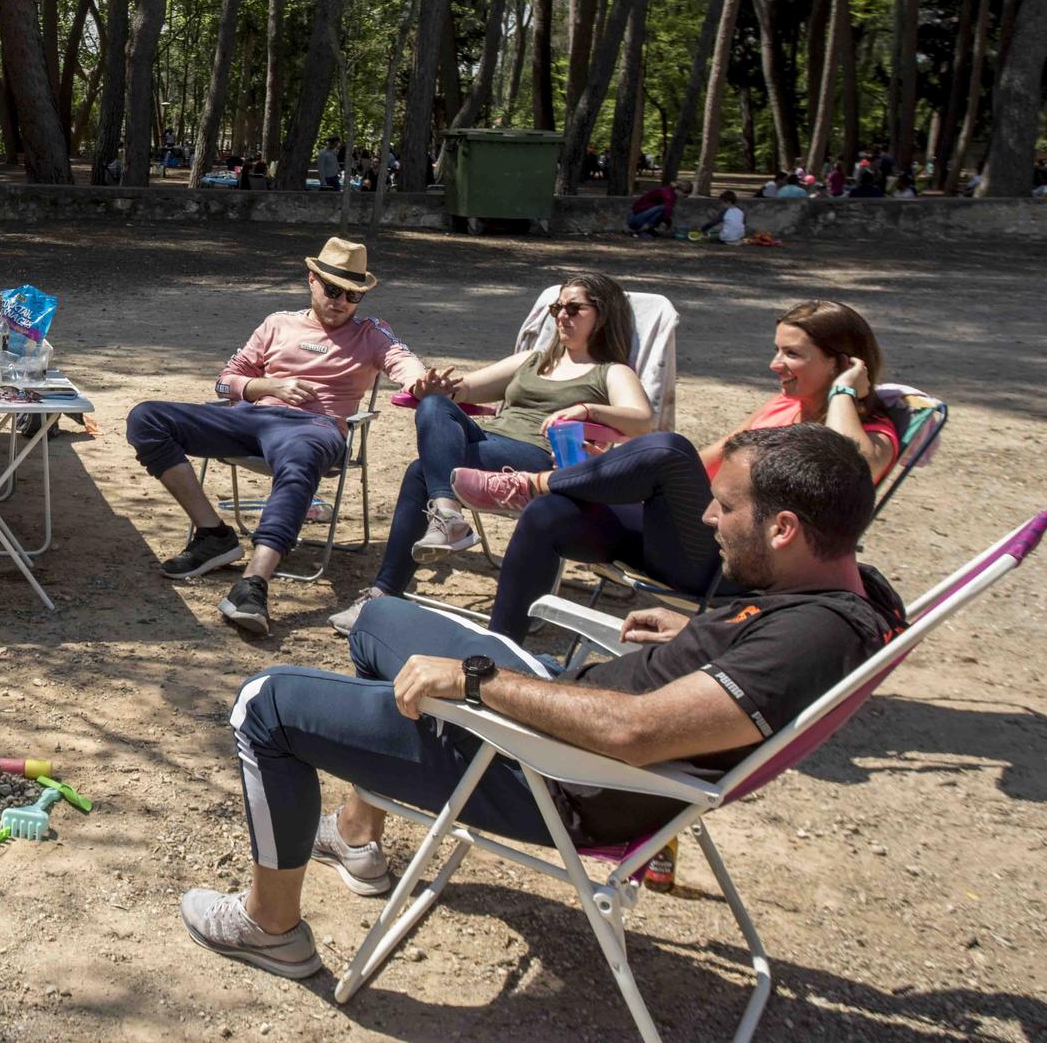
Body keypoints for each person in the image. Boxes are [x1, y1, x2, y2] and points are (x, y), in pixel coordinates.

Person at [181, 423, 905, 979]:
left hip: (555, 773)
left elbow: (633, 730)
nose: (709, 519)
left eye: (726, 505)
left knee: (263, 703)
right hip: (562, 713)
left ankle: (271, 928)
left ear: (784, 528)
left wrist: (477, 681)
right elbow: (758, 658)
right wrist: (702, 633)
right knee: (375, 620)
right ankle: (356, 833)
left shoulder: (811, 636)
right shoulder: (850, 589)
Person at [446, 299, 900, 640]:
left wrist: (843, 393)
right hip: (685, 537)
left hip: (737, 565)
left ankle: (532, 484)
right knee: (552, 514)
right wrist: (617, 467)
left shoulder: (874, 434)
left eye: (792, 355)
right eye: (777, 351)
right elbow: (708, 460)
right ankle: (501, 650)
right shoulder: (784, 406)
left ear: (843, 363)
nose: (774, 364)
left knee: (667, 447)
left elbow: (852, 464)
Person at [125, 238, 428, 637]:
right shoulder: (278, 323)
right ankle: (214, 535)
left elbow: (404, 365)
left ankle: (253, 583)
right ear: (312, 281)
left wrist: (423, 382)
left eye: (352, 295)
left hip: (315, 428)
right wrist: (267, 386)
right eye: (333, 290)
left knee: (301, 458)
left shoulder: (372, 333)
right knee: (147, 418)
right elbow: (225, 380)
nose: (341, 302)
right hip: (251, 417)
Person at [341, 273, 652, 633]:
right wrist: (437, 387)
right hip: (489, 443)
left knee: (418, 472)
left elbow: (642, 421)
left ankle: (386, 591)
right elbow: (467, 388)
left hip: (537, 459)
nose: (561, 316)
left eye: (573, 308)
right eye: (556, 307)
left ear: (604, 314)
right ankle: (447, 517)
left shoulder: (609, 372)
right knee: (435, 406)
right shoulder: (533, 361)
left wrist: (588, 410)